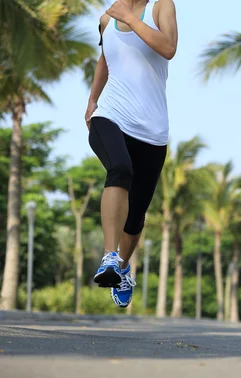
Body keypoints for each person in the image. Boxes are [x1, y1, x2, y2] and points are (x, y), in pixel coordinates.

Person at [84, 0, 178, 308]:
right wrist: (92, 100)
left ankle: (122, 267)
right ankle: (109, 257)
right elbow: (105, 59)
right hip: (110, 115)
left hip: (152, 130)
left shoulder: (161, 6)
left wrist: (129, 19)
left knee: (136, 214)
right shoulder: (105, 19)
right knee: (120, 169)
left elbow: (168, 47)